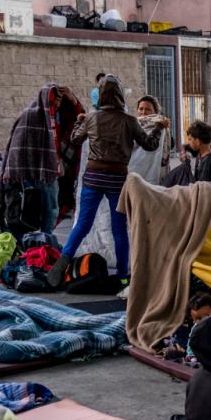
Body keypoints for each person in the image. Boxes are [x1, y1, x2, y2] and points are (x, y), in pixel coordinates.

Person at [47, 75, 168, 288]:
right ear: (121, 95)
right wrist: (157, 128)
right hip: (117, 179)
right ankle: (122, 276)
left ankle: (64, 260)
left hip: (93, 177)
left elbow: (75, 140)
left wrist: (79, 122)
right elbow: (149, 145)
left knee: (83, 224)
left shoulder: (92, 118)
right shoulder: (129, 121)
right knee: (119, 229)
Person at [0, 84, 84, 237]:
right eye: (55, 99)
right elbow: (16, 147)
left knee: (51, 210)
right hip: (27, 174)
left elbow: (81, 120)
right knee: (25, 211)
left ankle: (45, 241)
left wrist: (73, 99)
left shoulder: (58, 117)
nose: (58, 103)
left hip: (49, 173)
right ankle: (23, 245)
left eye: (60, 99)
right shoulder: (29, 116)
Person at [185, 120, 211, 185]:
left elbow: (200, 188)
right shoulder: (204, 149)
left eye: (190, 139)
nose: (188, 142)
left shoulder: (207, 162)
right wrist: (183, 152)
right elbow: (185, 146)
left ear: (198, 141)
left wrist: (187, 164)